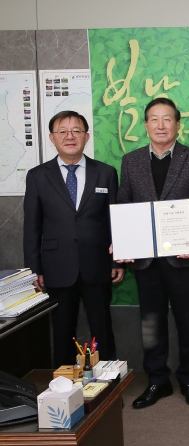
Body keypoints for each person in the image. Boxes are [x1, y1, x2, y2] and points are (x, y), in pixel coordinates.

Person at [117, 98, 189, 408]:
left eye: (167, 119)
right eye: (154, 119)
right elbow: (124, 206)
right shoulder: (131, 161)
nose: (161, 125)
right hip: (146, 260)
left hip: (183, 258)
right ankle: (157, 380)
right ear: (146, 125)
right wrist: (122, 241)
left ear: (177, 124)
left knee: (187, 321)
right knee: (151, 323)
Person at [23, 110, 122, 368]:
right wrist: (34, 269)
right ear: (52, 138)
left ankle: (109, 383)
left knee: (103, 328)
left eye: (76, 131)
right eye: (62, 132)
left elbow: (114, 219)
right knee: (62, 331)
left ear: (86, 136)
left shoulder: (106, 173)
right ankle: (64, 386)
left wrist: (117, 260)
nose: (70, 136)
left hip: (97, 265)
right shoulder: (37, 176)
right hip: (56, 267)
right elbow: (32, 227)